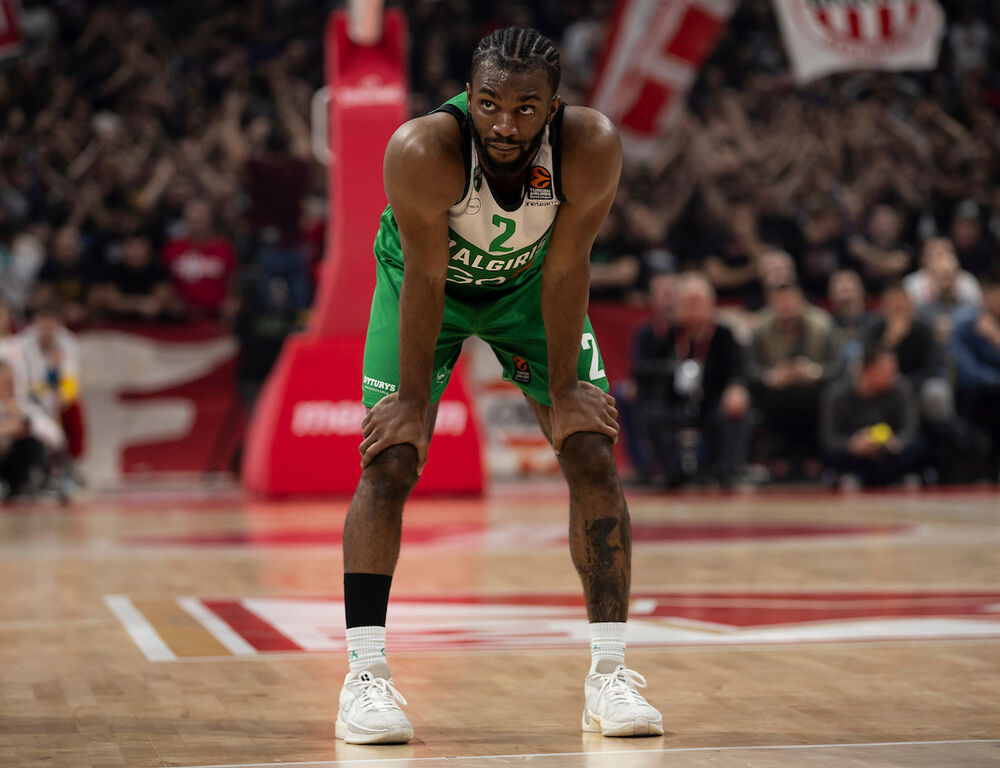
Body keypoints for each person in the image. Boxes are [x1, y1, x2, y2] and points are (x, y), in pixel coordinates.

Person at [336, 28, 662, 745]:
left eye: (524, 108)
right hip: (425, 287)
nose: (504, 125)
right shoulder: (423, 149)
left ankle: (609, 675)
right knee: (390, 460)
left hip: (528, 289)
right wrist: (413, 402)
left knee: (591, 450)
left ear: (554, 107)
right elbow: (428, 275)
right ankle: (364, 677)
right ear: (467, 96)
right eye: (488, 105)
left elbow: (568, 265)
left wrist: (567, 389)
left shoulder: (590, 146)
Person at [633, 272, 749, 488]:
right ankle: (671, 473)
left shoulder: (724, 335)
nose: (692, 309)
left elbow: (738, 371)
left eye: (697, 302)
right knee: (653, 414)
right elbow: (646, 369)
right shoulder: (668, 335)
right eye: (687, 302)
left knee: (733, 411)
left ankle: (724, 472)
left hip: (712, 401)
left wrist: (736, 388)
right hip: (677, 402)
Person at [748, 281, 841, 475]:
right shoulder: (760, 328)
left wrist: (815, 372)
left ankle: (814, 455)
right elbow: (750, 368)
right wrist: (771, 375)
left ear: (802, 301)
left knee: (819, 397)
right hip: (776, 393)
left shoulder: (822, 324)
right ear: (772, 303)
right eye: (781, 303)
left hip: (814, 390)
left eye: (792, 302)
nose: (788, 308)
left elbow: (838, 366)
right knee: (772, 398)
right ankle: (778, 456)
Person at [819, 344, 923, 488]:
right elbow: (829, 437)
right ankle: (853, 475)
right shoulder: (836, 394)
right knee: (830, 453)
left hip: (889, 451)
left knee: (918, 446)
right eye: (887, 371)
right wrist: (851, 445)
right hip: (855, 453)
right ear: (868, 369)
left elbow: (910, 429)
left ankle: (887, 476)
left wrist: (896, 442)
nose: (894, 376)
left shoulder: (901, 389)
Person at [949, 272, 1000, 473]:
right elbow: (967, 371)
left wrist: (996, 340)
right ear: (985, 297)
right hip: (973, 395)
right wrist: (996, 381)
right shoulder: (964, 323)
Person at [160, 198, 238, 319]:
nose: (197, 218)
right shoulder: (171, 248)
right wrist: (168, 301)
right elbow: (163, 283)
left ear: (211, 218)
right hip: (179, 319)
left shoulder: (224, 248)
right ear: (185, 218)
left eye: (202, 214)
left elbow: (233, 284)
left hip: (215, 318)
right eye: (193, 214)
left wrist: (232, 303)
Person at [0, 358, 65, 499]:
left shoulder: (23, 404)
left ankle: (43, 480)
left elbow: (53, 434)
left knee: (31, 441)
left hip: (14, 460)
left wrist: (15, 421)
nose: (10, 384)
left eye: (12, 380)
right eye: (5, 380)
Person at [903, 238, 981, 343]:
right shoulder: (915, 291)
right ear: (931, 276)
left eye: (951, 276)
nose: (947, 283)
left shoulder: (968, 288)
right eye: (943, 276)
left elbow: (979, 321)